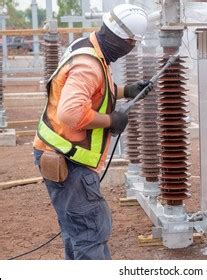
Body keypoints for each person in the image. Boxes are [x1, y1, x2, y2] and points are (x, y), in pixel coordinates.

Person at [33, 4, 152, 260]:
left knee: (76, 231)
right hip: (69, 160)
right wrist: (111, 120)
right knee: (90, 233)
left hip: (58, 151)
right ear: (124, 40)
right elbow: (71, 113)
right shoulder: (90, 65)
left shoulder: (88, 47)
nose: (131, 48)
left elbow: (95, 90)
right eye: (132, 43)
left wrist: (126, 91)